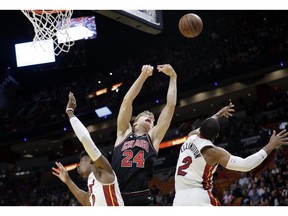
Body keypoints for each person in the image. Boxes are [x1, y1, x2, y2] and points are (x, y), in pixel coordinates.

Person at [173, 102, 288, 206]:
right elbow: (246, 165)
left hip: (178, 200)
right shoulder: (213, 152)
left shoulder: (190, 136)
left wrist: (218, 114)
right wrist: (271, 145)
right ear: (217, 136)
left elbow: (206, 125)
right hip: (198, 198)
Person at [111, 64, 177, 206]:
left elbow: (170, 106)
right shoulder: (123, 133)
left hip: (140, 196)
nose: (150, 117)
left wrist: (173, 77)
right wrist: (143, 76)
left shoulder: (153, 138)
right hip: (117, 195)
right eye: (145, 116)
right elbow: (127, 101)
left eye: (152, 119)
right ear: (135, 123)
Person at [52, 92, 124, 206]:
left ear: (91, 160)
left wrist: (70, 112)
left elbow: (85, 138)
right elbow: (86, 201)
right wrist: (68, 181)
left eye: (81, 161)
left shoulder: (105, 172)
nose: (78, 165)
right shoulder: (93, 181)